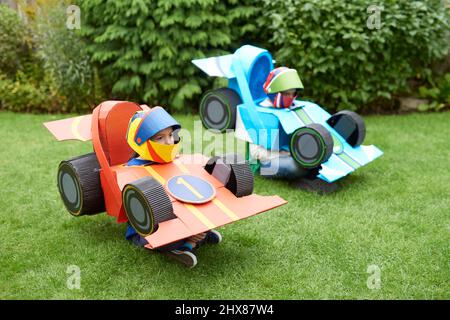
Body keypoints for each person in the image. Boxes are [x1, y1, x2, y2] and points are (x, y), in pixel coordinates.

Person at [125, 106, 222, 267]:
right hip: (148, 228)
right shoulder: (132, 171)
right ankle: (187, 244)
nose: (169, 141)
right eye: (160, 138)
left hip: (177, 213)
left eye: (170, 135)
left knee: (207, 209)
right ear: (141, 141)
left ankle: (195, 235)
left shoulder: (172, 160)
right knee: (165, 238)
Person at [249, 67, 314, 180]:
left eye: (293, 94)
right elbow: (255, 152)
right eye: (287, 94)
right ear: (274, 93)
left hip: (288, 153)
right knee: (294, 167)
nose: (290, 98)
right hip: (266, 161)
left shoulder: (289, 109)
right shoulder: (260, 114)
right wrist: (285, 154)